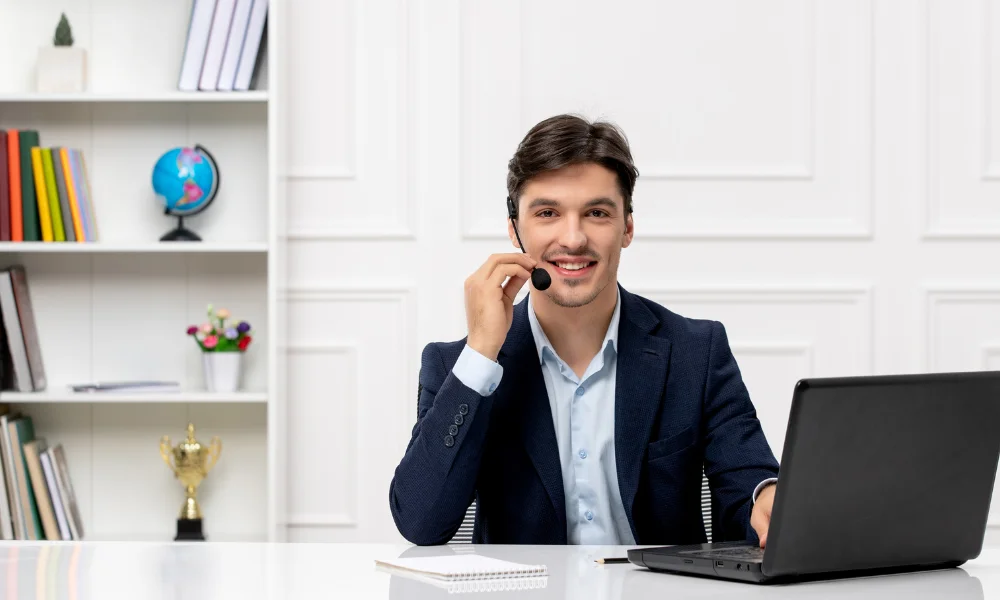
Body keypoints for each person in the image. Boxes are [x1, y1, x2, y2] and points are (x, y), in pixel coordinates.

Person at [389, 114, 779, 547]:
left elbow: (749, 484)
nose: (573, 239)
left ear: (627, 227)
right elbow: (421, 522)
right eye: (548, 213)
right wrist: (482, 351)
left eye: (596, 213)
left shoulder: (696, 352)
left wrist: (766, 497)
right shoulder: (458, 366)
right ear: (515, 229)